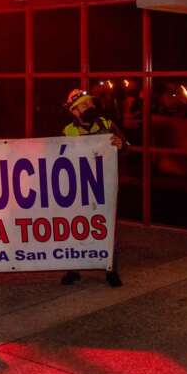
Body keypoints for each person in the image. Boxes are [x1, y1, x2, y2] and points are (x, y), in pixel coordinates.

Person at [60, 89, 126, 288]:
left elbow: (127, 147)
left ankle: (111, 270)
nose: (90, 107)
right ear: (74, 111)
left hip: (105, 185)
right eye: (84, 105)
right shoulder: (67, 131)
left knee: (108, 230)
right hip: (78, 189)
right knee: (76, 228)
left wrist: (121, 145)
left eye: (90, 103)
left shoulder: (107, 125)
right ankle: (73, 269)